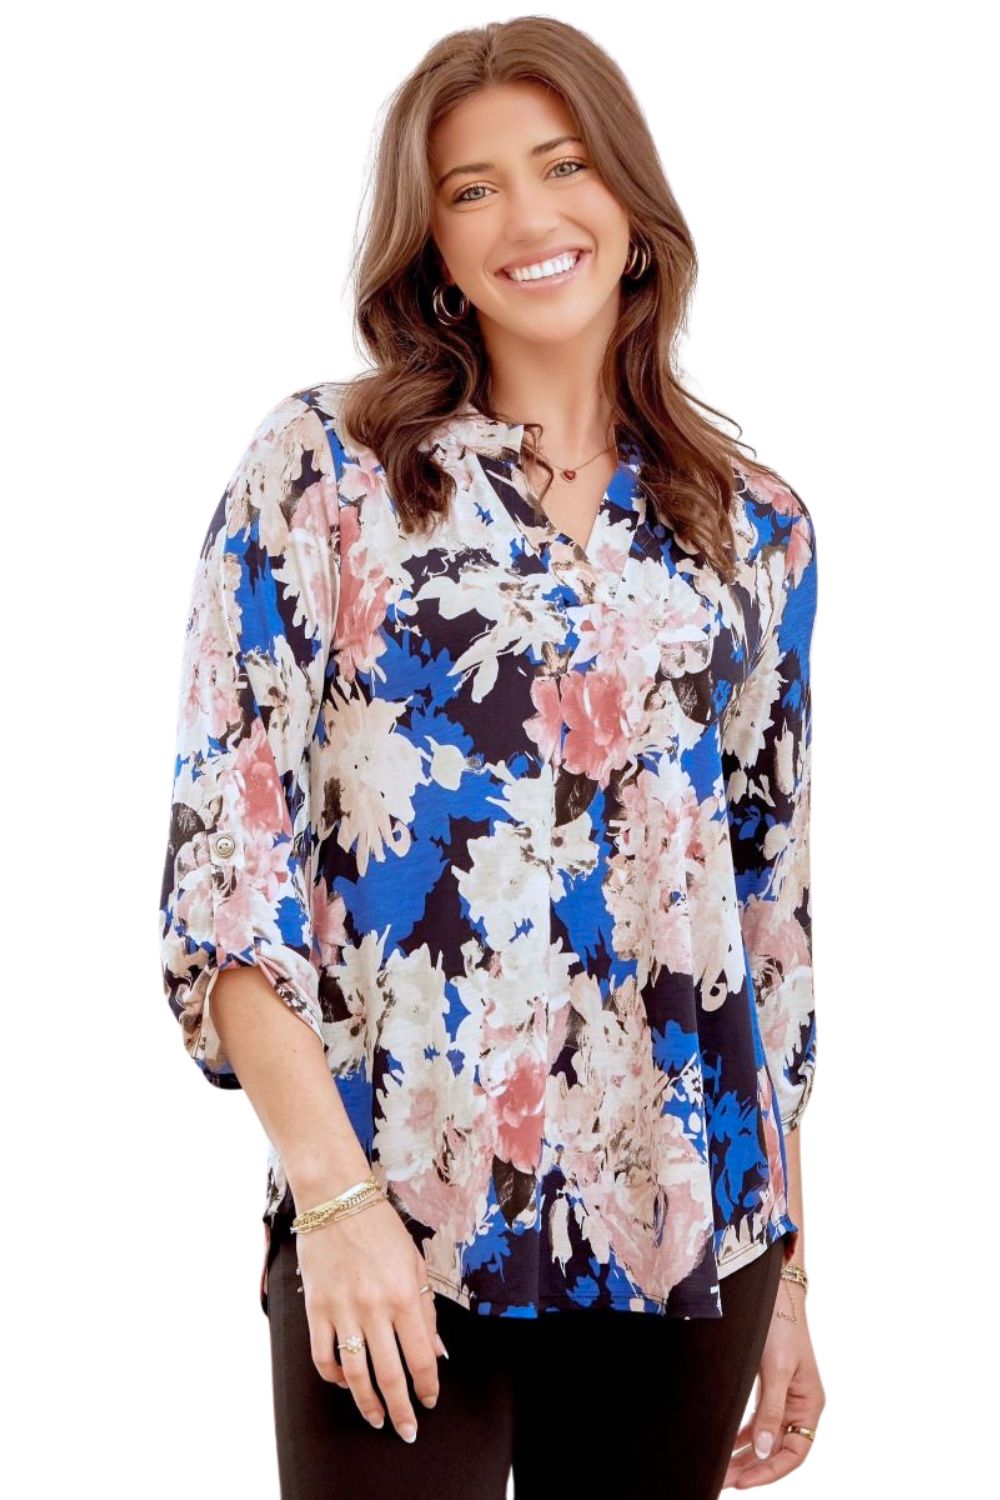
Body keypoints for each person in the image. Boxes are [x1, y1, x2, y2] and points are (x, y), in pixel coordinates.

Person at [157, 16, 824, 1498]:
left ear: (631, 204)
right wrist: (332, 1207)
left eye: (564, 165)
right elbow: (227, 874)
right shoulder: (325, 473)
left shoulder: (755, 525)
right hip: (398, 1218)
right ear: (435, 250)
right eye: (472, 188)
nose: (528, 216)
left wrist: (789, 1270)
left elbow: (764, 916)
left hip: (687, 1233)